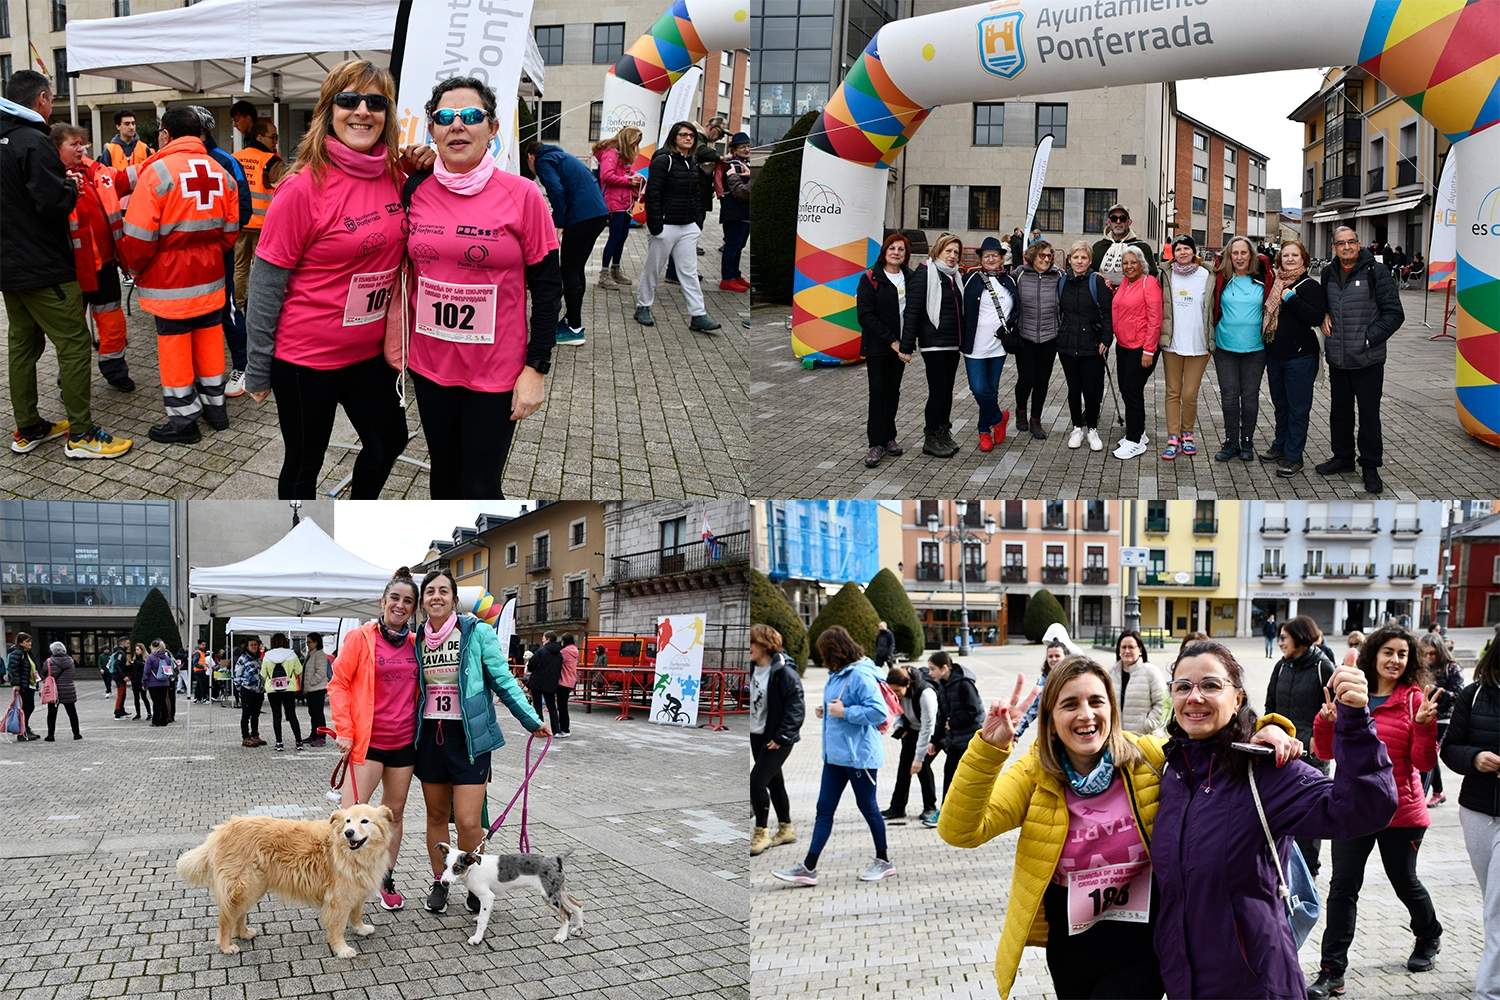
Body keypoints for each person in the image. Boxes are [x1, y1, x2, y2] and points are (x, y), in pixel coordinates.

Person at [938, 654, 1301, 999]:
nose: (1086, 715)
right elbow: (961, 830)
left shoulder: (1148, 757)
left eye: (1097, 701)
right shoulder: (1034, 774)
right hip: (1071, 939)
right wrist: (988, 749)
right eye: (1070, 704)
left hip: (1141, 937)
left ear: (1112, 708)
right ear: (1049, 717)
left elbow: (1212, 739)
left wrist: (1266, 729)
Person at [1155, 639, 1397, 999]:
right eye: (1183, 686)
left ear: (1237, 698)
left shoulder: (1265, 771)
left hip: (1255, 982)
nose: (1195, 697)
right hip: (1183, 981)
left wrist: (1356, 720)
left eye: (1210, 685)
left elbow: (1364, 808)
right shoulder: (1170, 772)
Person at [245, 60, 411, 499]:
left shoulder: (396, 176)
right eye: (348, 100)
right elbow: (266, 283)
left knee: (390, 440)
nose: (362, 110)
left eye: (375, 102)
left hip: (368, 356)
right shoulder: (301, 187)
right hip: (306, 362)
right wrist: (257, 369)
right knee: (303, 465)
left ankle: (358, 516)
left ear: (387, 115)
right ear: (328, 111)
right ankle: (297, 541)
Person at [395, 77, 562, 499]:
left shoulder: (523, 195)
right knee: (442, 477)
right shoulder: (415, 189)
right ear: (431, 130)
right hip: (431, 369)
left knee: (480, 485)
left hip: (494, 374)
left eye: (471, 116)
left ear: (492, 128)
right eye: (445, 118)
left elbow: (547, 286)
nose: (457, 126)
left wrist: (536, 368)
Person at [1308, 625, 1444, 997]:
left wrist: (1425, 727)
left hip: (1401, 811)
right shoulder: (1353, 695)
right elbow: (1326, 753)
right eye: (1388, 652)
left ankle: (1429, 934)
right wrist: (1326, 721)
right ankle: (1332, 970)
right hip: (1352, 808)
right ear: (1373, 655)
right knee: (1343, 888)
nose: (1395, 660)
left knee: (1404, 881)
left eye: (1402, 654)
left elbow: (1422, 761)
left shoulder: (1415, 699)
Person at [2, 71, 132, 459]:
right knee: (74, 344)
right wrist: (68, 189)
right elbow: (50, 203)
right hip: (44, 267)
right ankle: (82, 434)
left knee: (22, 345)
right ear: (41, 98)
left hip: (10, 270)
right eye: (52, 98)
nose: (52, 105)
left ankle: (28, 427)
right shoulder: (34, 141)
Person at [413, 567, 548, 915]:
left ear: (455, 600)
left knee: (471, 821)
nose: (437, 596)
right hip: (430, 736)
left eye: (444, 591)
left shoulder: (477, 633)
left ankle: (474, 882)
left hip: (469, 738)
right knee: (436, 816)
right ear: (423, 600)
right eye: (430, 591)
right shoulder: (416, 639)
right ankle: (440, 881)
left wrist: (531, 720)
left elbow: (502, 680)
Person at [117, 105, 240, 445]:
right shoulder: (221, 171)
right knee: (209, 339)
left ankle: (184, 421)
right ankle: (216, 409)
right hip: (211, 275)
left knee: (175, 348)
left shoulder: (156, 173)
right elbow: (231, 233)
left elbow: (139, 238)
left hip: (170, 283)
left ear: (166, 135)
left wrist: (135, 268)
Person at [328, 566, 422, 910]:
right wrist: (345, 729)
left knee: (391, 816)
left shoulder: (416, 644)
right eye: (394, 598)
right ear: (382, 601)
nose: (400, 605)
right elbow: (337, 683)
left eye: (407, 601)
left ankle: (385, 877)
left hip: (404, 742)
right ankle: (341, 881)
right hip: (366, 742)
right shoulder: (361, 638)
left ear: (414, 608)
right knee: (350, 816)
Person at [771, 626, 892, 886]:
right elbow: (839, 705)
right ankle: (809, 867)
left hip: (859, 757)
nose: (821, 657)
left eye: (824, 652)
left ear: (835, 651)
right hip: (835, 757)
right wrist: (826, 711)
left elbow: (879, 713)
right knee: (823, 809)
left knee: (868, 808)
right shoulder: (836, 674)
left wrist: (844, 712)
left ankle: (884, 861)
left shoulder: (860, 675)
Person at [50, 123, 137, 392]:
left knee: (112, 322)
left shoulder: (96, 171)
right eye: (73, 144)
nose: (81, 148)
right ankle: (71, 380)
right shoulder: (50, 179)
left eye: (82, 143)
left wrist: (162, 158)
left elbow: (125, 178)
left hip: (105, 266)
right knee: (73, 331)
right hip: (71, 269)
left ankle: (114, 370)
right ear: (56, 149)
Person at [1319, 225, 1404, 495]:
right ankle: (1343, 458)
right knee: (1340, 412)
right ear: (1334, 247)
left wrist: (1370, 338)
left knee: (1369, 415)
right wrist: (1323, 315)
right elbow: (1326, 305)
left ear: (1359, 244)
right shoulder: (1328, 273)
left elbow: (1394, 313)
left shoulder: (1375, 272)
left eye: (1351, 242)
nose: (1346, 247)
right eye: (1341, 243)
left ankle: (1370, 466)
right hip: (1338, 358)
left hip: (1368, 359)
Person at [1442, 632, 1500, 1000]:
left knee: (1498, 907)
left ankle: (1489, 990)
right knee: (1490, 899)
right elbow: (1449, 749)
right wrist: (1475, 759)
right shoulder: (1473, 694)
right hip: (1477, 810)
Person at [1265, 614, 1337, 877]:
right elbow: (1269, 707)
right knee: (1281, 813)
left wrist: (1320, 738)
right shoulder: (1281, 667)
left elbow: (1335, 710)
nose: (1281, 642)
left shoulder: (1323, 667)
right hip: (1282, 752)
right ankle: (1283, 871)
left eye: (1284, 638)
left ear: (1300, 638)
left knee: (1309, 815)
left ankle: (1309, 875)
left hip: (1312, 755)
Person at [634, 120, 721, 333]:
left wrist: (695, 222)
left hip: (687, 226)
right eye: (683, 135)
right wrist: (656, 226)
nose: (688, 138)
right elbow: (653, 193)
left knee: (689, 272)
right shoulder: (663, 160)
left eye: (691, 135)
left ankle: (698, 314)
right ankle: (643, 306)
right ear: (674, 137)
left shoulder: (691, 160)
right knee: (653, 269)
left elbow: (697, 192)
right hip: (665, 225)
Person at [194, 108, 253, 399]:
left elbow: (244, 208)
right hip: (187, 261)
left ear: (201, 132)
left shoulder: (225, 161)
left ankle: (243, 365)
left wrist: (220, 242)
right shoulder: (173, 163)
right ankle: (201, 371)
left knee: (227, 308)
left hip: (219, 254)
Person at [526, 140, 608, 346]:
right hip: (596, 214)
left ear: (530, 157)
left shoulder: (544, 160)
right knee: (575, 269)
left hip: (582, 217)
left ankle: (573, 327)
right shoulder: (560, 157)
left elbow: (556, 191)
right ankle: (573, 322)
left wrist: (558, 223)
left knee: (569, 270)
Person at [1260, 239, 1325, 477]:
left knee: (1298, 408)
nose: (1289, 259)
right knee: (1280, 405)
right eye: (1285, 255)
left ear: (1303, 259)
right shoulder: (1276, 283)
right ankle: (1280, 445)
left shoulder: (1309, 286)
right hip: (1276, 356)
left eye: (1294, 255)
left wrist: (1292, 299)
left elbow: (1315, 317)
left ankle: (1293, 456)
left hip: (1300, 358)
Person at [901, 233, 965, 459]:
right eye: (948, 251)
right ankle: (930, 438)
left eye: (956, 252)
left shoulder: (955, 276)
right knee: (937, 391)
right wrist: (906, 346)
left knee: (947, 391)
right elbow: (912, 311)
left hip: (952, 344)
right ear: (938, 251)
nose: (952, 256)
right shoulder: (924, 273)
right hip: (934, 344)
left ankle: (943, 431)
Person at [1210, 236, 1272, 462]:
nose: (1239, 257)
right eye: (1234, 253)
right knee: (1228, 396)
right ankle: (1230, 442)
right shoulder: (1222, 279)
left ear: (1251, 255)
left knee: (1249, 397)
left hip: (1255, 349)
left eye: (1243, 253)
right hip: (1225, 347)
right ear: (1229, 256)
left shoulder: (1264, 278)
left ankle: (1247, 441)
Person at [857, 231, 912, 468]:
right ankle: (875, 443)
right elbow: (865, 315)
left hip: (901, 348)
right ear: (884, 252)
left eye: (901, 249)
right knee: (878, 392)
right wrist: (892, 341)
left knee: (893, 392)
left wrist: (906, 344)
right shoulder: (871, 278)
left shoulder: (910, 278)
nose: (896, 253)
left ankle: (890, 437)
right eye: (892, 248)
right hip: (879, 346)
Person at [1156, 234, 1212, 461]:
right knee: (1172, 392)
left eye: (1186, 249)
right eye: (1178, 249)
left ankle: (1187, 434)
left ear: (1193, 251)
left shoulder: (1208, 275)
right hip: (1172, 343)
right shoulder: (1165, 275)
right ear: (1173, 253)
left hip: (1199, 344)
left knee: (1189, 393)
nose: (1182, 253)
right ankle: (1172, 438)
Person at [749, 624, 804, 857]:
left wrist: (782, 736)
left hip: (777, 738)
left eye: (751, 643)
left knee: (756, 782)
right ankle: (786, 828)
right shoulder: (752, 669)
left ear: (765, 645)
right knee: (774, 782)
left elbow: (796, 708)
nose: (748, 648)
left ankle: (761, 832)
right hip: (757, 734)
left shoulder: (784, 673)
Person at [963, 236, 1020, 451]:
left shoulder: (1010, 280)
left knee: (991, 390)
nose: (990, 259)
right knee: (978, 388)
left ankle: (984, 431)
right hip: (975, 345)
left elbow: (1017, 309)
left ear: (1001, 258)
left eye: (995, 255)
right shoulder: (971, 278)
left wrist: (1011, 327)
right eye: (986, 255)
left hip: (998, 347)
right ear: (981, 258)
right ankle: (999, 418)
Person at [1056, 240, 1112, 452]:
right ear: (1069, 259)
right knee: (1073, 388)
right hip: (1067, 344)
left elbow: (1108, 314)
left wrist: (1106, 340)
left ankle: (1092, 429)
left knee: (1092, 390)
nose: (1079, 261)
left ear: (1090, 260)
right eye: (1076, 257)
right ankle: (1077, 428)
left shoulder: (1097, 282)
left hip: (1093, 345)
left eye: (1084, 257)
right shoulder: (1062, 281)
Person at [230, 116, 286, 327]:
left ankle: (237, 310)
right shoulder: (272, 160)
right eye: (273, 137)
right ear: (260, 136)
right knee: (264, 271)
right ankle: (260, 313)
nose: (276, 141)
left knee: (240, 268)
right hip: (264, 226)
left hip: (241, 223)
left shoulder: (235, 158)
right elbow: (285, 190)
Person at [1109, 244, 1160, 460]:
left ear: (1142, 264)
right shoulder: (1125, 284)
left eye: (1133, 262)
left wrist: (1149, 350)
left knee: (1132, 391)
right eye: (1125, 263)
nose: (1128, 266)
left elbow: (1155, 320)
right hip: (1123, 346)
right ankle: (1139, 431)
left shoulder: (1149, 284)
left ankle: (1134, 440)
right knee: (1127, 389)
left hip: (1141, 348)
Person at [1011, 241, 1061, 439]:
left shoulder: (1058, 275)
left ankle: (1036, 419)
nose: (1046, 259)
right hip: (1026, 336)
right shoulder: (1019, 275)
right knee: (1026, 379)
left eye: (1049, 256)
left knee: (1042, 380)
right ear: (1032, 256)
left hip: (1050, 337)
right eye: (1042, 256)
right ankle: (1021, 409)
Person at [928, 649, 985, 816]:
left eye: (933, 669)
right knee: (950, 775)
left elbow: (973, 711)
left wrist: (952, 722)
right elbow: (941, 716)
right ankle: (947, 811)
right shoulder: (943, 686)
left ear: (944, 668)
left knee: (967, 778)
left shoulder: (964, 683)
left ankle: (966, 812)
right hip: (954, 740)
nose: (930, 673)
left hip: (969, 739)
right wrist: (935, 740)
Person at [882, 663, 939, 827]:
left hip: (929, 733)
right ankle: (897, 807)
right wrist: (899, 725)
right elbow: (898, 712)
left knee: (923, 768)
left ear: (908, 684)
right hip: (910, 731)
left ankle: (930, 807)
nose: (896, 695)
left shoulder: (925, 693)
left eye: (898, 691)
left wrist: (919, 757)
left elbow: (928, 726)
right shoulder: (897, 690)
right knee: (904, 769)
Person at [592, 125, 644, 289]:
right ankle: (604, 274)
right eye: (635, 142)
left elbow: (619, 174)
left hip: (626, 202)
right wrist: (630, 181)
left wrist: (633, 177)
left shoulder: (620, 154)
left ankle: (615, 269)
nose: (636, 146)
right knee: (614, 237)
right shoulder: (611, 153)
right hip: (614, 203)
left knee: (622, 237)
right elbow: (606, 176)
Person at [1418, 632, 1463, 807]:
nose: (1429, 657)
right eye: (1426, 653)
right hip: (1423, 717)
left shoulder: (1452, 668)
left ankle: (1421, 795)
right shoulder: (1420, 668)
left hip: (1444, 718)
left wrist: (1439, 692)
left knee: (1429, 754)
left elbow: (1460, 695)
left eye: (1433, 653)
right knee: (1427, 753)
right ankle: (1438, 792)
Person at [1110, 630, 1166, 733]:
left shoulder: (1151, 672)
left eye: (1131, 647)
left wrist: (1148, 726)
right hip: (1117, 737)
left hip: (1143, 738)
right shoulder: (1112, 673)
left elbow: (1162, 703)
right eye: (1123, 647)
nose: (1127, 651)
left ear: (1139, 649)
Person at [715, 132, 751, 292]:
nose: (747, 149)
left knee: (739, 246)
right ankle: (727, 278)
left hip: (744, 213)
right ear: (734, 149)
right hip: (734, 212)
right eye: (742, 146)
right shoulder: (732, 164)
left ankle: (735, 274)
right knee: (732, 245)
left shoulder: (745, 163)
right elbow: (739, 191)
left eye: (748, 146)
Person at [1011, 638, 1066, 742]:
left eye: (1057, 656)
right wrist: (1017, 732)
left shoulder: (1074, 679)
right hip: (1051, 734)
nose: (1053, 659)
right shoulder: (1044, 681)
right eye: (1050, 656)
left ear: (1065, 657)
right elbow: (1033, 709)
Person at [1090, 204, 1158, 283]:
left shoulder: (1142, 247)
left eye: (1122, 218)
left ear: (1129, 222)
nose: (1118, 222)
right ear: (1109, 222)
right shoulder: (1098, 247)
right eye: (1114, 218)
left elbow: (1152, 276)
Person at [260, 632, 305, 751]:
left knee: (276, 716)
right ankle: (299, 741)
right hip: (289, 688)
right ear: (285, 641)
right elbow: (299, 670)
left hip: (272, 690)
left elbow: (263, 674)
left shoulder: (267, 655)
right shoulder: (292, 654)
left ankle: (279, 742)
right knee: (292, 715)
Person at [41, 641, 81, 741]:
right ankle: (76, 734)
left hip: (54, 692)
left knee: (51, 714)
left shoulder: (49, 661)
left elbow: (44, 673)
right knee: (72, 713)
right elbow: (73, 674)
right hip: (68, 690)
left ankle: (51, 735)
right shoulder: (71, 661)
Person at [5, 633, 41, 741]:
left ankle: (25, 728)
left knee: (29, 707)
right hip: (23, 686)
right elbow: (13, 670)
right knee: (26, 708)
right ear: (21, 642)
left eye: (30, 641)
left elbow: (33, 668)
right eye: (27, 641)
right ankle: (22, 732)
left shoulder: (27, 653)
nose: (30, 643)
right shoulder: (17, 654)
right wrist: (16, 684)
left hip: (30, 685)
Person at [526, 630, 563, 733]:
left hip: (537, 682)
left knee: (537, 706)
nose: (542, 639)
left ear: (547, 639)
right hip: (551, 683)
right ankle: (556, 729)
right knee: (552, 707)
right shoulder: (559, 654)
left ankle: (540, 728)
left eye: (543, 637)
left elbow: (531, 665)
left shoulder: (541, 651)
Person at [235, 637, 265, 747]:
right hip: (247, 690)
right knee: (246, 714)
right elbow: (237, 675)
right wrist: (240, 690)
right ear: (247, 646)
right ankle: (246, 737)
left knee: (255, 715)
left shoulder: (258, 658)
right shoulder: (242, 658)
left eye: (255, 645)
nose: (254, 647)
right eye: (251, 645)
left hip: (259, 691)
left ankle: (255, 735)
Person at [302, 631, 331, 747]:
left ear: (316, 642)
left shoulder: (319, 655)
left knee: (318, 714)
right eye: (307, 642)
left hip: (317, 689)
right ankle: (314, 734)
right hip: (311, 689)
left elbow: (321, 673)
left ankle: (321, 737)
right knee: (313, 714)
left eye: (309, 642)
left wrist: (310, 683)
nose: (307, 644)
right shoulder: (311, 654)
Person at [144, 640, 174, 727]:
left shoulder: (151, 658)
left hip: (153, 683)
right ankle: (164, 720)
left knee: (156, 702)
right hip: (164, 683)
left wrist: (145, 681)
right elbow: (169, 670)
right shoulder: (167, 658)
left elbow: (146, 671)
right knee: (163, 701)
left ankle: (156, 721)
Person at [557, 633, 579, 739]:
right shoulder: (574, 650)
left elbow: (557, 662)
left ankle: (564, 729)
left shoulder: (564, 651)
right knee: (563, 706)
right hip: (570, 680)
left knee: (562, 706)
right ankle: (564, 728)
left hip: (563, 681)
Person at [128, 642, 148, 720]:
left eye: (138, 649)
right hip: (134, 680)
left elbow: (145, 667)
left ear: (142, 650)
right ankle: (138, 714)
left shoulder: (146, 658)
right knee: (136, 698)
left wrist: (135, 663)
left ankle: (149, 713)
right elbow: (132, 669)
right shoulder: (134, 658)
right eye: (136, 649)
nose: (136, 651)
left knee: (144, 697)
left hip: (142, 680)